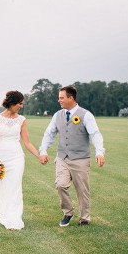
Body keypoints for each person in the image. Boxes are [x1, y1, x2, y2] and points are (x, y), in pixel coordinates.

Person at [39, 85, 105, 227]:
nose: (59, 100)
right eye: (59, 98)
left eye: (62, 98)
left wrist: (99, 152)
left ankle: (84, 218)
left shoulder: (86, 115)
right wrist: (43, 151)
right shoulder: (57, 115)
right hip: (62, 157)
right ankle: (68, 212)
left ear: (71, 98)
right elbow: (49, 133)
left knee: (82, 190)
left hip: (81, 158)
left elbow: (95, 134)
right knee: (61, 185)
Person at [0, 90, 41, 230]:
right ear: (12, 103)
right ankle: (5, 216)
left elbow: (27, 143)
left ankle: (15, 219)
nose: (21, 106)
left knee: (15, 187)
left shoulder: (21, 120)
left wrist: (39, 155)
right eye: (20, 103)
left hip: (16, 157)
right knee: (3, 188)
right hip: (0, 158)